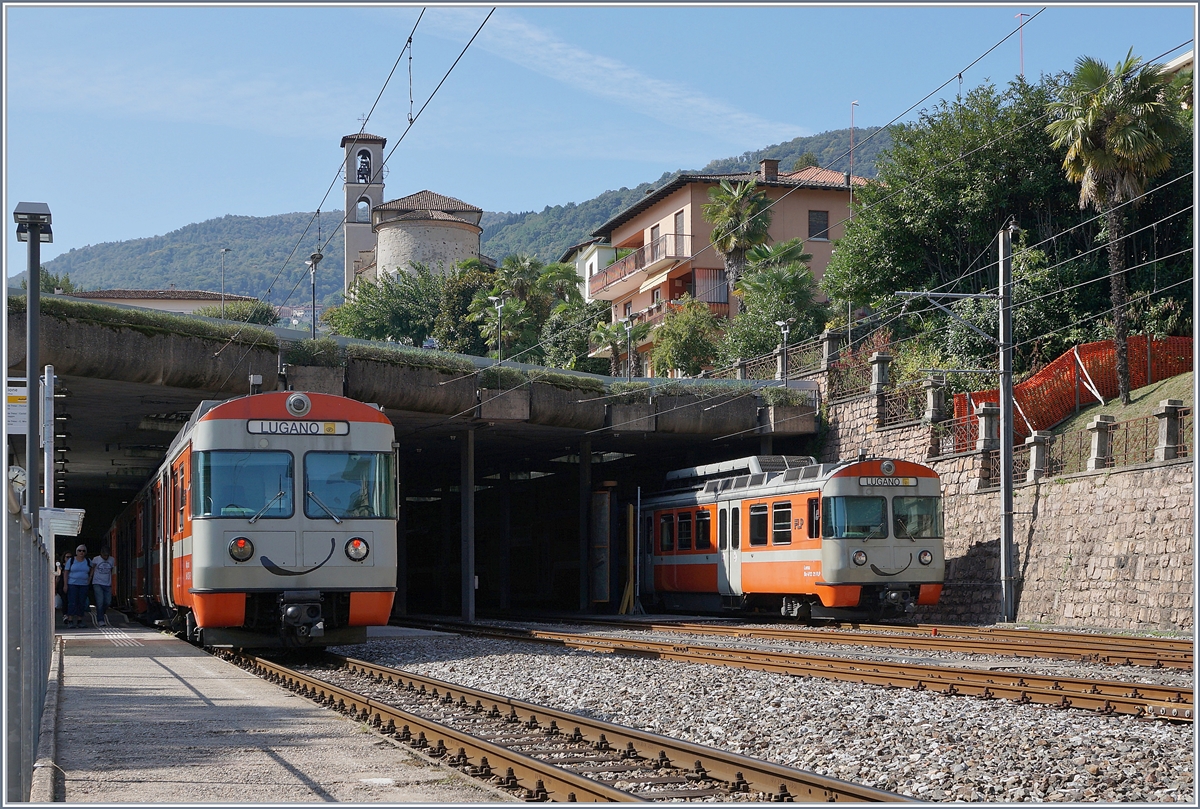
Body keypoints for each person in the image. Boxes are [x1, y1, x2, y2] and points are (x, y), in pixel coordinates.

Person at [62, 545, 91, 628]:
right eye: (79, 550)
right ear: (76, 552)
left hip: (84, 585)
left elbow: (93, 567)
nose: (81, 552)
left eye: (83, 551)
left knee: (82, 602)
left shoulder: (88, 561)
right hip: (72, 584)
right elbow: (66, 573)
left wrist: (90, 578)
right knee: (72, 602)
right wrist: (65, 585)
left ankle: (79, 620)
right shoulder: (71, 561)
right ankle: (70, 620)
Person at [90, 545, 116, 627]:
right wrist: (90, 579)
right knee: (100, 601)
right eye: (104, 555)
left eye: (107, 555)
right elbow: (92, 569)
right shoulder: (96, 559)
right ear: (101, 554)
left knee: (108, 601)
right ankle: (100, 619)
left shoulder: (112, 560)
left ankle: (102, 612)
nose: (106, 557)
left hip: (107, 583)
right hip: (97, 582)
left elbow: (112, 570)